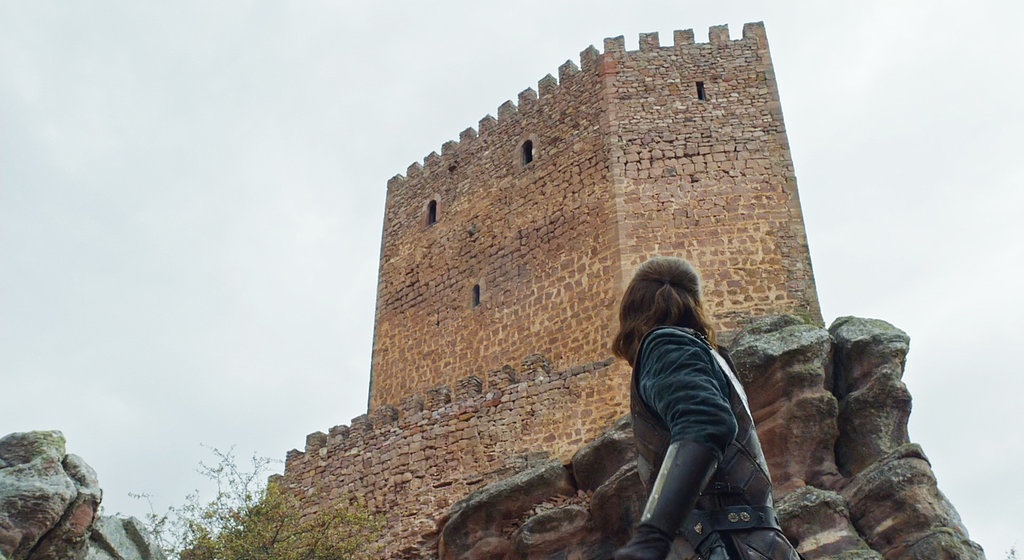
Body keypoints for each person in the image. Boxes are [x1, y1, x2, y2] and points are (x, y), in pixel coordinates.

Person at [611, 257, 800, 560]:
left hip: (725, 549)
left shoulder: (665, 345)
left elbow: (706, 423)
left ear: (631, 309)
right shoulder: (713, 358)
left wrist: (652, 537)